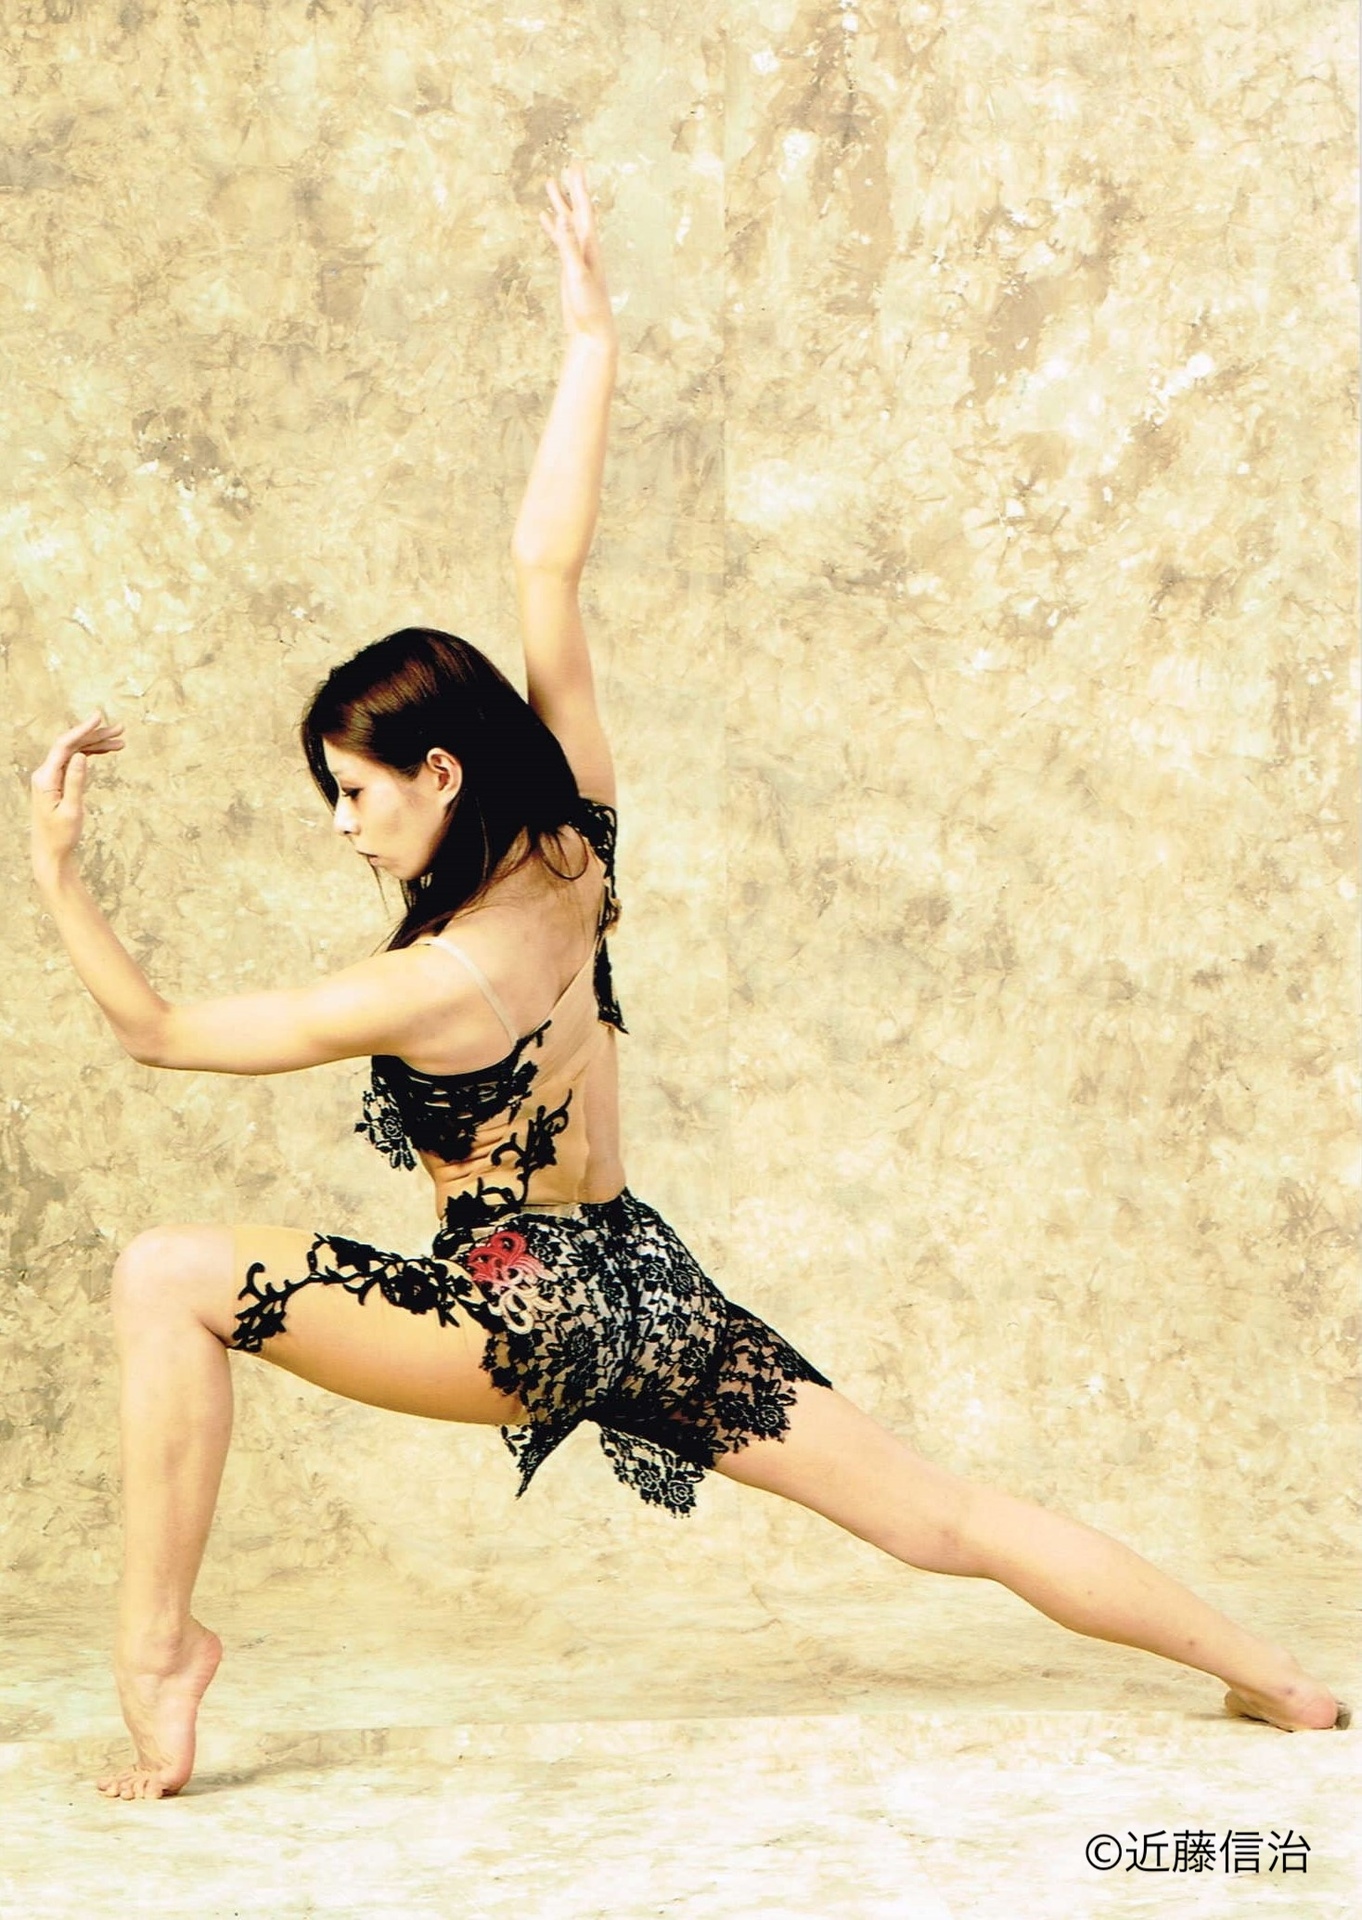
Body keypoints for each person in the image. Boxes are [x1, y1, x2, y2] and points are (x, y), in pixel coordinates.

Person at [28, 165, 1346, 1803]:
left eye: (354, 793)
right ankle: (1275, 1677)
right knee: (939, 1518)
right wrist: (591, 342)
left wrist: (57, 871)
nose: (343, 826)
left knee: (163, 1273)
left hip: (515, 1317)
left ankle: (159, 1650)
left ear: (438, 772)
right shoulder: (574, 852)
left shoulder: (435, 982)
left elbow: (155, 1034)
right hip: (644, 1288)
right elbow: (547, 570)